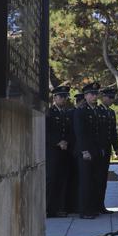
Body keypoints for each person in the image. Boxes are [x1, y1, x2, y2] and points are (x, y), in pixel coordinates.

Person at [74, 82, 104, 219]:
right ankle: (84, 210)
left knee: (94, 180)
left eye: (96, 94)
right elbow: (80, 133)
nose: (94, 96)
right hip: (85, 151)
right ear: (85, 96)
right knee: (85, 181)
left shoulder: (96, 110)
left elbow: (98, 133)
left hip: (96, 150)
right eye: (92, 94)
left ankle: (92, 208)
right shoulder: (81, 111)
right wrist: (84, 151)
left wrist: (100, 149)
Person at [46, 85, 73, 217]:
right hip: (52, 152)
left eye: (65, 97)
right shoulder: (49, 112)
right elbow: (46, 131)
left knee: (62, 180)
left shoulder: (66, 113)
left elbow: (69, 131)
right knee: (52, 180)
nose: (63, 99)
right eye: (61, 96)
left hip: (64, 151)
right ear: (55, 97)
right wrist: (58, 142)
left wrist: (66, 141)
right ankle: (50, 208)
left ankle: (60, 208)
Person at [94, 87, 118, 214]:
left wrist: (116, 148)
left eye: (112, 98)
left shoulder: (111, 112)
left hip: (107, 149)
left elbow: (112, 133)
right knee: (97, 178)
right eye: (109, 97)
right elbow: (96, 133)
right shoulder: (97, 111)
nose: (111, 100)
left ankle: (101, 205)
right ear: (103, 97)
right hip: (99, 149)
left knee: (103, 178)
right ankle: (96, 205)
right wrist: (99, 147)